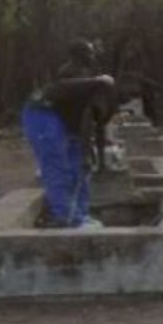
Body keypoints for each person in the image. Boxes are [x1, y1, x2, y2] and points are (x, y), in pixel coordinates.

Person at [22, 42, 119, 228]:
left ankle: (80, 215)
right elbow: (87, 124)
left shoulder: (102, 96)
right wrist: (87, 154)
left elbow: (97, 129)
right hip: (42, 114)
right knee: (57, 166)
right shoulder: (94, 92)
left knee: (80, 168)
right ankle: (66, 218)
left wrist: (99, 161)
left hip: (63, 119)